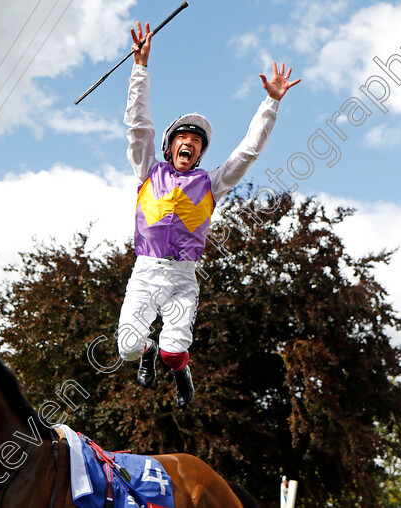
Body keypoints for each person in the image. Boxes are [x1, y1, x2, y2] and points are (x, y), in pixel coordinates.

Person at [116, 21, 301, 408]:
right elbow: (138, 126)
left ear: (200, 155)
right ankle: (148, 351)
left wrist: (272, 102)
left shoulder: (212, 183)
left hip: (183, 277)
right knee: (129, 347)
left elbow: (248, 151)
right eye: (184, 138)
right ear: (170, 147)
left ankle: (180, 370)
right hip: (146, 271)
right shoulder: (149, 169)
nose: (190, 143)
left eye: (197, 142)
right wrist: (140, 68)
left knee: (173, 354)